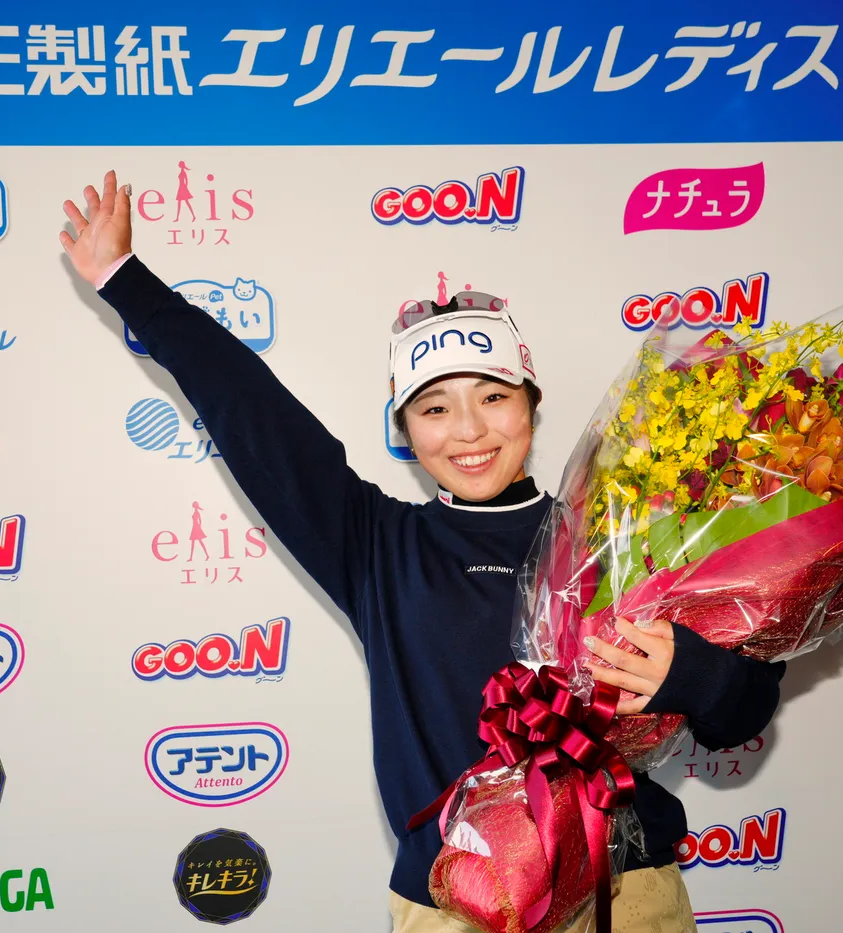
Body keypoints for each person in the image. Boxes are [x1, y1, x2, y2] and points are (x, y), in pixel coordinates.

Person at [59, 171, 786, 933]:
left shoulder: (622, 537)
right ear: (405, 431)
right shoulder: (375, 545)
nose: (469, 430)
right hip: (456, 901)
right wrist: (125, 280)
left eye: (493, 397)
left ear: (532, 406)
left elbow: (744, 710)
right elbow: (253, 409)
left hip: (622, 894)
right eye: (435, 408)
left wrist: (690, 673)